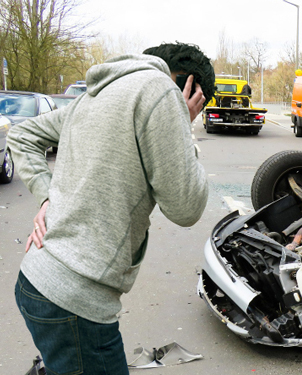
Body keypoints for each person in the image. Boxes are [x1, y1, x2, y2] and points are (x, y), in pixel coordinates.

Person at [7, 42, 215, 374]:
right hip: (74, 305)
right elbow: (186, 207)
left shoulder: (101, 92)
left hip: (37, 281)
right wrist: (183, 128)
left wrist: (47, 198)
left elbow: (22, 136)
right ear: (191, 88)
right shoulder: (160, 91)